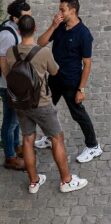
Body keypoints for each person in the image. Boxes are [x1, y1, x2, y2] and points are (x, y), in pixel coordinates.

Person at [1, 13, 88, 194]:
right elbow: (55, 72)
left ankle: (33, 181)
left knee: (27, 139)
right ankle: (66, 180)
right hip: (41, 103)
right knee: (57, 138)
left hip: (21, 104)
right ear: (34, 29)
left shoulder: (11, 52)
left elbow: (8, 73)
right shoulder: (43, 52)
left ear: (18, 30)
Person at [36, 0, 102, 164]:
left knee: (78, 114)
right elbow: (40, 43)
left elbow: (87, 63)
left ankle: (93, 146)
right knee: (46, 109)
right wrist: (53, 25)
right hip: (55, 78)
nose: (59, 13)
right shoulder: (59, 27)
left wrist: (81, 89)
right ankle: (50, 138)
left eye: (62, 10)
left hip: (71, 81)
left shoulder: (83, 34)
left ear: (73, 10)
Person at [0, 0, 30, 171]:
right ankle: (10, 156)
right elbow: (2, 61)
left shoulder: (16, 29)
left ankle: (16, 145)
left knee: (17, 118)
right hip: (7, 85)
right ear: (14, 18)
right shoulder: (7, 36)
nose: (29, 20)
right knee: (10, 121)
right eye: (25, 17)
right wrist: (12, 84)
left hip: (15, 83)